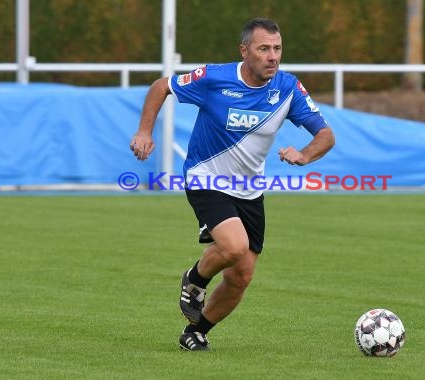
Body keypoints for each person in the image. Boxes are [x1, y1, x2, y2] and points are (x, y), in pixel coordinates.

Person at [130, 18, 335, 351]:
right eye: (263, 48)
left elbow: (325, 135)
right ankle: (195, 279)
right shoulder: (214, 78)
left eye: (277, 48)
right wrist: (144, 132)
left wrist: (305, 154)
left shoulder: (287, 88)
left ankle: (196, 331)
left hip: (250, 189)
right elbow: (161, 86)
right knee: (235, 246)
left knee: (241, 276)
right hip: (205, 176)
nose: (273, 56)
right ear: (244, 50)